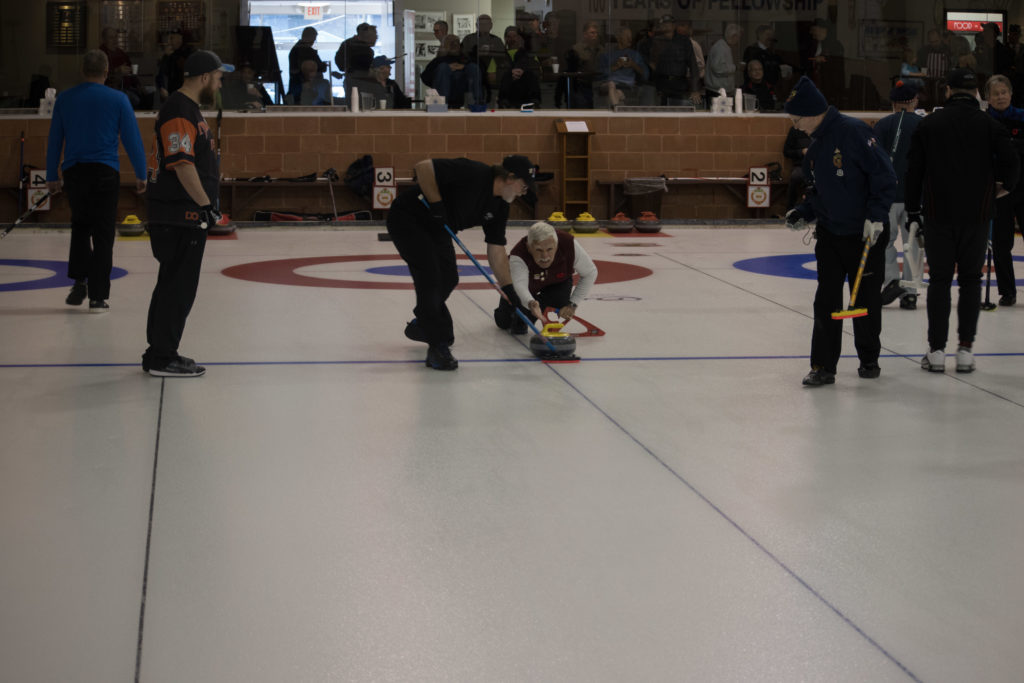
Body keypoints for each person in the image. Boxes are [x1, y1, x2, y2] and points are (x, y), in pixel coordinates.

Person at [784, 76, 898, 386]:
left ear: (812, 112)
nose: (795, 126)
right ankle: (823, 366)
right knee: (826, 301)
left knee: (864, 301)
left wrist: (876, 216)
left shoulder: (854, 132)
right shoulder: (816, 147)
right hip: (831, 235)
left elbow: (884, 178)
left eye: (797, 119)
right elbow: (818, 192)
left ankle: (869, 359)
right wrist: (803, 212)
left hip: (865, 235)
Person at [905, 69, 1019, 373]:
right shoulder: (989, 124)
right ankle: (966, 350)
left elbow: (913, 171)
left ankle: (936, 350)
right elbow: (1012, 162)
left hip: (938, 214)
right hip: (977, 215)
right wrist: (1002, 189)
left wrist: (912, 210)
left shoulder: (929, 124)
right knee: (971, 280)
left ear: (948, 91)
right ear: (977, 93)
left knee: (940, 280)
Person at [385, 155, 537, 370]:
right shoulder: (474, 172)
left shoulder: (500, 206)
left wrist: (509, 290)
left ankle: (424, 323)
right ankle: (436, 348)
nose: (524, 192)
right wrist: (436, 203)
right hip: (408, 219)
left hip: (438, 228)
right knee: (431, 277)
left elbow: (496, 249)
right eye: (524, 186)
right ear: (510, 177)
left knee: (449, 278)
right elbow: (423, 167)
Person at [142, 50, 233, 377]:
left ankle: (157, 352)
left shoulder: (188, 109)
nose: (220, 84)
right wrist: (206, 206)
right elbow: (181, 163)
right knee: (178, 289)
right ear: (204, 77)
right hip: (180, 216)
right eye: (218, 78)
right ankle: (163, 357)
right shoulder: (180, 110)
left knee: (171, 285)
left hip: (182, 215)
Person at [45, 49, 147, 312]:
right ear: (106, 71)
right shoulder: (118, 99)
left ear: (82, 71)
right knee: (103, 232)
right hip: (105, 171)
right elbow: (132, 139)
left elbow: (55, 139)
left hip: (75, 171)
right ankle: (98, 296)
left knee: (80, 227)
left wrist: (51, 175)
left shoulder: (65, 99)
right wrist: (141, 173)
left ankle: (79, 281)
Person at [874, 81, 924, 310]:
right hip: (917, 197)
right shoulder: (924, 125)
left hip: (888, 195)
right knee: (913, 244)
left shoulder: (883, 125)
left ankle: (892, 279)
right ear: (915, 101)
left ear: (893, 103)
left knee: (885, 241)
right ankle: (910, 292)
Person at [495, 221, 598, 334]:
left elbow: (590, 273)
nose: (545, 256)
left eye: (549, 249)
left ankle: (528, 315)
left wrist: (573, 304)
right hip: (527, 284)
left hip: (557, 281)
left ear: (556, 245)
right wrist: (530, 303)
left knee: (559, 301)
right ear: (529, 247)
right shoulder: (518, 255)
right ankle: (514, 312)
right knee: (504, 322)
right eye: (539, 250)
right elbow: (520, 285)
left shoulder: (569, 244)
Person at [984, 74, 1024, 306]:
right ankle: (1007, 291)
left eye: (1004, 92)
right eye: (995, 94)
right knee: (1001, 243)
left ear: (1011, 94)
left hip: (1023, 187)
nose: (1000, 97)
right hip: (999, 190)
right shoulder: (984, 121)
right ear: (988, 98)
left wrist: (1011, 145)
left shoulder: (1021, 117)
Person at [421, 34, 482, 108]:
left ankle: (477, 104)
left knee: (473, 67)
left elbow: (479, 74)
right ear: (444, 46)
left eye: (457, 42)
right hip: (440, 98)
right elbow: (425, 78)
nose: (454, 44)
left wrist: (464, 67)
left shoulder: (468, 60)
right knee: (443, 67)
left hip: (463, 95)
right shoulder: (438, 61)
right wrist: (446, 68)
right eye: (451, 42)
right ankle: (439, 106)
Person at [596, 26, 650, 107]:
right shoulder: (607, 54)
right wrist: (615, 66)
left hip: (626, 86)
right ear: (618, 38)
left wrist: (633, 65)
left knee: (617, 93)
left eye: (631, 36)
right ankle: (618, 104)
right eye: (627, 36)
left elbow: (646, 74)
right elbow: (598, 75)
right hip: (608, 85)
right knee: (611, 84)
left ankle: (616, 105)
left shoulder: (634, 55)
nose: (630, 39)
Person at [803, 19, 845, 106]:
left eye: (813, 30)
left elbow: (836, 63)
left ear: (821, 29)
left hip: (831, 86)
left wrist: (824, 60)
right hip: (818, 84)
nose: (812, 33)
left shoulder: (835, 45)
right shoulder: (816, 44)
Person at [99, 27, 143, 108]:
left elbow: (131, 71)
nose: (115, 40)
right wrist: (117, 70)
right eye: (111, 37)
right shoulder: (100, 54)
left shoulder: (121, 53)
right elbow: (99, 74)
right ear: (104, 39)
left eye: (116, 37)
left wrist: (138, 85)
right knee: (135, 100)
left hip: (127, 87)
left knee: (145, 95)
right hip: (110, 89)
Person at [335, 23, 377, 101]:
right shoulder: (357, 47)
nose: (376, 37)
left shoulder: (351, 44)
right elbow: (341, 62)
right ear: (365, 34)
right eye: (374, 35)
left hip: (358, 80)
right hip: (357, 81)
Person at [288, 27, 325, 103]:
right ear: (309, 37)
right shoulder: (306, 50)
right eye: (313, 39)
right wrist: (323, 65)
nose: (313, 42)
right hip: (305, 87)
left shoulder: (296, 48)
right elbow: (320, 67)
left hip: (297, 86)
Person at [706, 24, 742, 97]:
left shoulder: (724, 46)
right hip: (717, 91)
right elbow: (718, 68)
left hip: (721, 90)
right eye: (739, 37)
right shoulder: (720, 48)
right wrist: (735, 67)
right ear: (734, 36)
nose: (739, 40)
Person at [156, 29, 192, 101]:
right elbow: (161, 74)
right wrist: (161, 87)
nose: (169, 42)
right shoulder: (169, 55)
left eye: (171, 38)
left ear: (180, 39)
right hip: (171, 93)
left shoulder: (187, 54)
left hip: (184, 93)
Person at [782, 124, 811, 210]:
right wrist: (801, 152)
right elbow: (786, 152)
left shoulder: (822, 128)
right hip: (801, 166)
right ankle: (790, 209)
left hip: (819, 167)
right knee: (795, 177)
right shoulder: (795, 130)